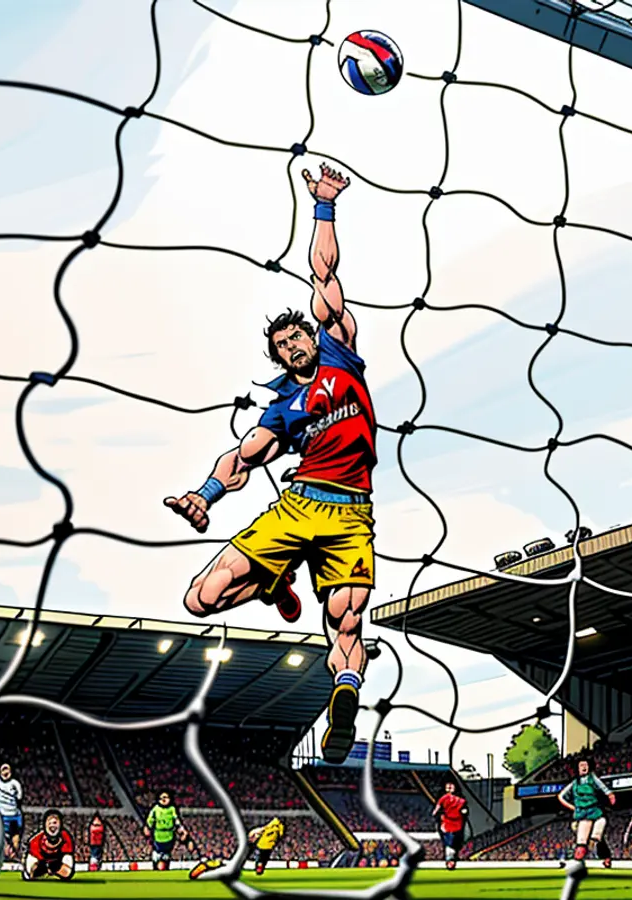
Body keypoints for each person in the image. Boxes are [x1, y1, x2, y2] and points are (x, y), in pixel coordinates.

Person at [166, 163, 377, 766]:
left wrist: (325, 205)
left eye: (298, 336)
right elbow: (243, 455)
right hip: (297, 505)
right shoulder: (283, 407)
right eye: (282, 345)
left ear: (313, 336)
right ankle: (273, 582)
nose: (294, 345)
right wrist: (204, 495)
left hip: (350, 514)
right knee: (198, 600)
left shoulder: (342, 351)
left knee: (347, 621)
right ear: (279, 358)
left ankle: (345, 696)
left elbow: (324, 271)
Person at [557, 756, 616, 866]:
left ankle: (605, 857)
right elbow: (561, 796)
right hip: (582, 814)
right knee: (582, 840)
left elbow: (604, 788)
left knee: (597, 836)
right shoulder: (574, 783)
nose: (584, 767)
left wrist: (610, 795)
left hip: (595, 811)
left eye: (585, 765)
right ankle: (574, 858)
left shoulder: (592, 778)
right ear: (578, 768)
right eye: (581, 765)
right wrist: (573, 807)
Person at [144, 789, 199, 871]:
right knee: (157, 856)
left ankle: (165, 867)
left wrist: (182, 831)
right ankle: (156, 866)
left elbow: (177, 821)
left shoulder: (172, 809)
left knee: (166, 857)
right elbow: (150, 820)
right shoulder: (155, 809)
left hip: (169, 835)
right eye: (162, 798)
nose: (164, 799)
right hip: (158, 835)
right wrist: (146, 827)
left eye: (166, 797)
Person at [22, 809, 74, 881]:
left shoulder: (66, 838)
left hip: (58, 861)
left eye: (55, 822)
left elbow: (68, 856)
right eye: (49, 822)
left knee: (67, 872)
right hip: (40, 860)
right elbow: (34, 856)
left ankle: (52, 869)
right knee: (30, 873)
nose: (52, 825)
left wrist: (55, 867)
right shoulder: (36, 840)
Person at [0, 763, 24, 859]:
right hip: (2, 817)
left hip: (14, 816)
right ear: (0, 772)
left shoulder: (16, 784)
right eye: (3, 769)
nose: (5, 772)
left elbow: (19, 798)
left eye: (7, 769)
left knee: (16, 840)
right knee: (2, 839)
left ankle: (15, 855)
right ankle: (5, 857)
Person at [432, 780, 469, 869]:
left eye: (451, 785)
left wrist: (463, 812)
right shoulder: (443, 798)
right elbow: (437, 809)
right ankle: (450, 856)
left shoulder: (461, 800)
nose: (449, 787)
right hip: (448, 823)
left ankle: (452, 855)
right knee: (449, 840)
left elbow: (465, 809)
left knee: (456, 839)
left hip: (457, 823)